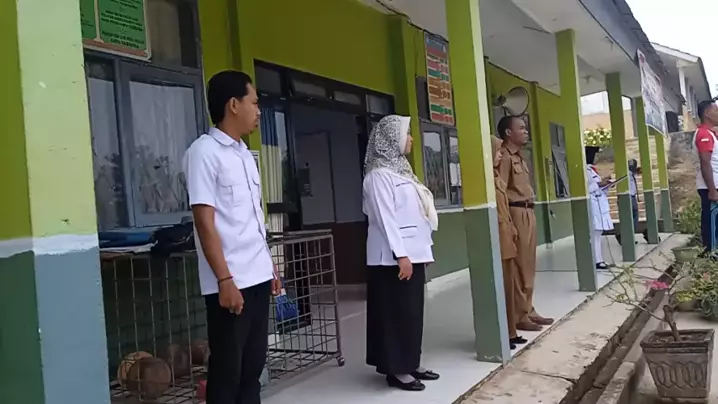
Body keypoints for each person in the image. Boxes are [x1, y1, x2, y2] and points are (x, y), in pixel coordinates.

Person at [184, 70, 280, 404]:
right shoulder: (203, 152)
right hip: (230, 283)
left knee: (253, 369)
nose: (258, 111)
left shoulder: (244, 155)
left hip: (258, 277)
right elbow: (204, 222)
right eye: (254, 102)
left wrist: (270, 267)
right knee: (227, 372)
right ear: (233, 105)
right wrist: (224, 280)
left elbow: (252, 220)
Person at [363, 115, 439, 392]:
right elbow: (385, 219)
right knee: (394, 314)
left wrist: (422, 252)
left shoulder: (402, 172)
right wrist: (401, 256)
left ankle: (410, 362)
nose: (411, 139)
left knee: (411, 313)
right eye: (406, 134)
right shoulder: (378, 176)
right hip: (391, 260)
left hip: (411, 255)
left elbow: (416, 214)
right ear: (390, 138)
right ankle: (396, 370)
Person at [497, 115, 554, 332]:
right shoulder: (504, 156)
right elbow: (501, 191)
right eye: (520, 128)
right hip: (516, 213)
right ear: (508, 133)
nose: (525, 131)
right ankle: (519, 315)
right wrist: (508, 222)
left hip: (529, 211)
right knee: (519, 267)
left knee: (529, 266)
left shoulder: (520, 157)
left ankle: (529, 309)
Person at [492, 137, 527, 350]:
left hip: (507, 237)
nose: (500, 155)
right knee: (502, 287)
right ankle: (504, 333)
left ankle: (511, 332)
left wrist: (512, 228)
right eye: (497, 151)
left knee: (509, 286)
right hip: (499, 238)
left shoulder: (496, 176)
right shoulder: (486, 179)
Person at [694, 100, 718, 251]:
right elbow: (705, 163)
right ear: (707, 113)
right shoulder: (703, 134)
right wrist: (712, 190)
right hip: (711, 187)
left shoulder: (710, 134)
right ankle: (711, 253)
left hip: (714, 185)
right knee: (711, 223)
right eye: (716, 110)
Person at [585, 146, 614, 270]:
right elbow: (587, 187)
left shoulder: (593, 170)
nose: (597, 157)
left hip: (599, 202)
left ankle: (599, 259)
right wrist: (600, 184)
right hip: (593, 203)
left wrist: (606, 184)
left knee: (598, 233)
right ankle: (596, 260)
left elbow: (598, 186)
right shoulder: (584, 170)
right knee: (595, 233)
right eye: (595, 155)